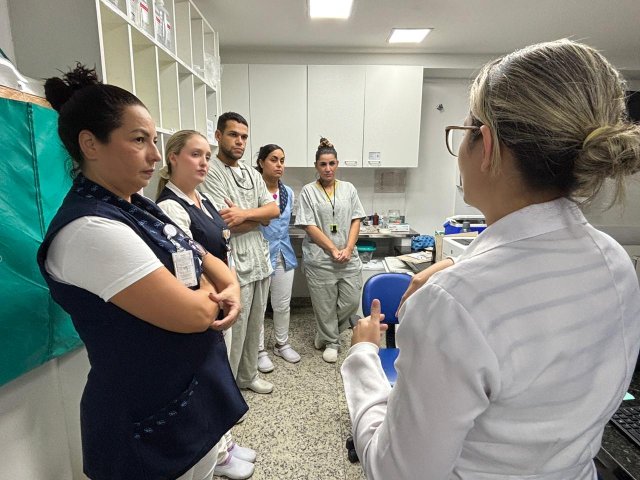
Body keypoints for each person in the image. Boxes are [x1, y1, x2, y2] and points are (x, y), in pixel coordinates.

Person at [341, 39, 640, 480]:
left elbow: (396, 471)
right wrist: (459, 269)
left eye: (462, 132)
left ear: (487, 144)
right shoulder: (614, 261)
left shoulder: (453, 304)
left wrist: (363, 355)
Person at [37, 65, 247, 480]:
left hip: (187, 400)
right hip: (145, 422)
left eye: (153, 140)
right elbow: (195, 313)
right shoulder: (91, 229)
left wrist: (227, 288)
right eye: (138, 140)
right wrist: (215, 290)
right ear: (90, 144)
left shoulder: (138, 207)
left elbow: (218, 268)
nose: (155, 155)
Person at [155, 130, 256, 480]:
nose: (204, 163)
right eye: (195, 155)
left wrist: (230, 286)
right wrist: (220, 293)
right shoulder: (170, 208)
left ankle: (225, 442)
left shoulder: (204, 199)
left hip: (223, 299)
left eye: (207, 157)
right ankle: (218, 455)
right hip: (206, 304)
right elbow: (187, 268)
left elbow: (221, 245)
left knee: (220, 374)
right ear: (173, 158)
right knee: (207, 382)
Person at [200, 112, 280, 394]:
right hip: (233, 259)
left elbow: (273, 210)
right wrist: (258, 217)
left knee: (255, 325)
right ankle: (229, 389)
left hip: (259, 258)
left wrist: (246, 214)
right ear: (218, 136)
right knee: (236, 329)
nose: (240, 141)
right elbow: (223, 222)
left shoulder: (251, 173)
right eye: (233, 135)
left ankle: (248, 376)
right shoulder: (210, 171)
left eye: (244, 137)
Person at [295, 138, 365, 363]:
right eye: (323, 164)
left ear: (337, 164)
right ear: (316, 165)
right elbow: (308, 225)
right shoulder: (308, 191)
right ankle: (332, 342)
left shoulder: (348, 189)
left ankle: (325, 334)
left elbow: (356, 219)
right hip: (320, 259)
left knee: (351, 301)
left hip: (348, 257)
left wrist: (348, 248)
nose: (328, 168)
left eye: (332, 163)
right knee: (324, 305)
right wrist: (333, 249)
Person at [254, 144, 301, 373]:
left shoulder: (288, 192)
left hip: (284, 252)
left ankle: (282, 344)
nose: (279, 165)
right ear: (261, 162)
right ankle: (258, 350)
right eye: (273, 159)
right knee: (260, 306)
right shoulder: (254, 190)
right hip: (260, 253)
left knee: (282, 304)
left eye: (282, 160)